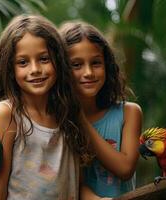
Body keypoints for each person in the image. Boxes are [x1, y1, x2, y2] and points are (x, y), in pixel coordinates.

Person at [0, 14, 93, 200]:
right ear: (10, 69)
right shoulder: (6, 114)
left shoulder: (67, 112)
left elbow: (76, 183)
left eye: (44, 59)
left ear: (58, 61)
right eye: (23, 62)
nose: (35, 69)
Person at [59, 21, 143, 198]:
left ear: (107, 65)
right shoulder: (59, 123)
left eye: (96, 63)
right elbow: (75, 183)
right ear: (62, 70)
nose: (88, 72)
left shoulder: (129, 113)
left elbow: (125, 168)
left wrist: (79, 118)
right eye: (76, 65)